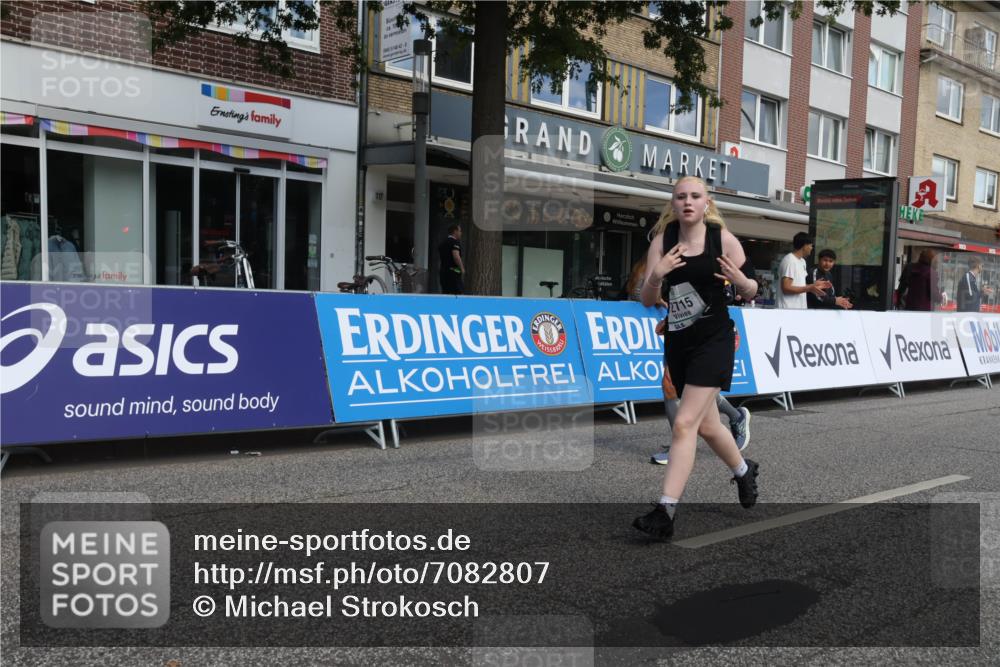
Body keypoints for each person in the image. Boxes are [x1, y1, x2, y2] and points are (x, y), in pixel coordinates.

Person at [632, 176, 760, 541]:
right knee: (707, 426)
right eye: (680, 197)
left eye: (695, 196)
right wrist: (656, 276)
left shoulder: (722, 240)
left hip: (714, 340)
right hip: (678, 342)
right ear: (673, 204)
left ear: (707, 203)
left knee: (684, 424)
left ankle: (665, 511)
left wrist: (741, 281)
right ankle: (743, 470)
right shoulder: (664, 241)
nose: (687, 202)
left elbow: (752, 289)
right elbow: (647, 299)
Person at [627, 257, 753, 464]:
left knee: (676, 387)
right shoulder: (667, 256)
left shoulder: (711, 255)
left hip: (708, 334)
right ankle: (735, 424)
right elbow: (652, 296)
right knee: (686, 390)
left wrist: (744, 283)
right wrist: (669, 316)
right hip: (680, 330)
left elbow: (721, 295)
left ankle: (680, 447)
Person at [776, 232, 830, 309]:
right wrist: (809, 288)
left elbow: (800, 285)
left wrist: (813, 285)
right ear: (805, 246)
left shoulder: (802, 261)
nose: (811, 248)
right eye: (811, 245)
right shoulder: (790, 261)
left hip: (799, 309)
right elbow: (786, 288)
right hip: (787, 310)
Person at [437, 224, 465, 294]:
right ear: (455, 231)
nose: (461, 233)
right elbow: (456, 257)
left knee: (446, 293)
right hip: (453, 272)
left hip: (443, 272)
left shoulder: (442, 243)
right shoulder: (454, 242)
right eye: (460, 231)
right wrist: (462, 268)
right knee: (458, 294)